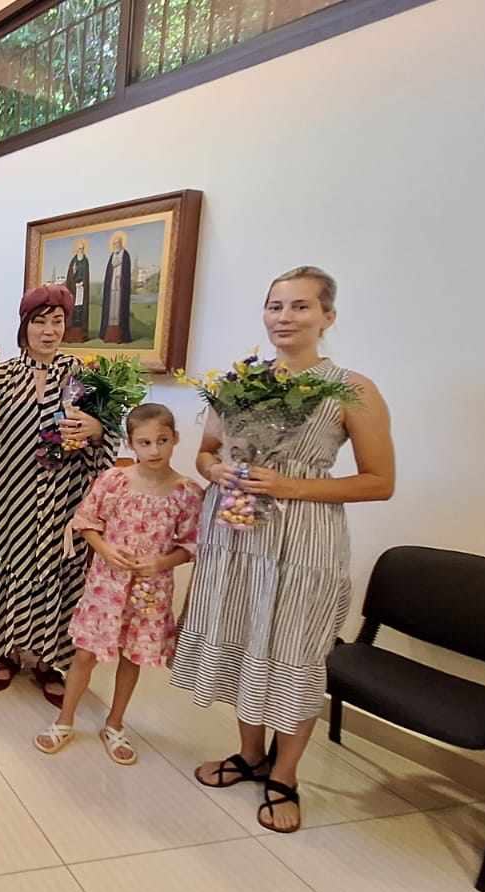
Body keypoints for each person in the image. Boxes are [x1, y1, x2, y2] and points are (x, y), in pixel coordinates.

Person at [171, 266, 395, 833]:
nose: (284, 317)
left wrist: (293, 486)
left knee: (295, 650)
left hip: (304, 544)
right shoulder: (236, 382)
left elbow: (379, 481)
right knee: (244, 639)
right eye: (275, 306)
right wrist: (214, 470)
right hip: (234, 534)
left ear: (328, 316)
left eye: (300, 306)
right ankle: (250, 754)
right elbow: (207, 451)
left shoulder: (351, 389)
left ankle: (285, 775)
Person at [34, 404, 202, 763]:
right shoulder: (114, 481)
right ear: (130, 443)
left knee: (132, 655)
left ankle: (114, 723)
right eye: (145, 442)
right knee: (84, 654)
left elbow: (190, 545)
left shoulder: (187, 492)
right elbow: (86, 522)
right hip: (106, 587)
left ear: (175, 438)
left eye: (162, 440)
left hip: (150, 592)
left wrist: (160, 562)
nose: (154, 450)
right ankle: (65, 720)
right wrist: (106, 551)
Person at [0, 285, 110, 707]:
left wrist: (96, 431)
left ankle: (50, 660)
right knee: (5, 567)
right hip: (7, 494)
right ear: (25, 326)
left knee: (58, 570)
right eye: (40, 322)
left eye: (57, 322)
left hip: (63, 497)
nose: (49, 331)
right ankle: (3, 652)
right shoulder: (1, 377)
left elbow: (107, 440)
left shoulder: (84, 379)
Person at [99, 231, 132, 344]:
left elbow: (126, 271)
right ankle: (108, 334)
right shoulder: (112, 255)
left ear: (121, 243)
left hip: (120, 287)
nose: (115, 245)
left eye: (117, 243)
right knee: (110, 309)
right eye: (114, 243)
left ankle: (120, 335)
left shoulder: (125, 255)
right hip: (112, 286)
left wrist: (121, 276)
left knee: (119, 309)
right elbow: (109, 272)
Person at [63, 238, 90, 343]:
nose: (80, 251)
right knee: (74, 307)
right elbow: (70, 276)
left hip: (81, 288)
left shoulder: (85, 261)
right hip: (74, 289)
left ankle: (80, 331)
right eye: (79, 249)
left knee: (80, 307)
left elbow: (86, 275)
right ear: (76, 250)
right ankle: (72, 330)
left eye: (82, 249)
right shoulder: (73, 261)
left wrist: (83, 283)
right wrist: (73, 272)